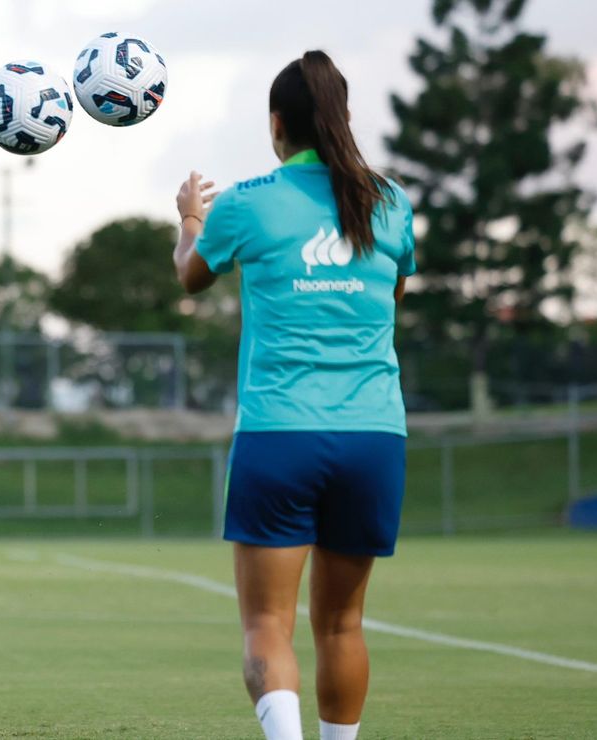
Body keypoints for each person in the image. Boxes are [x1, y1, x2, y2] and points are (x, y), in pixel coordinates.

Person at [172, 50, 415, 740]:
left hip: (281, 435)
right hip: (374, 438)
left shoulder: (248, 203)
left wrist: (190, 218)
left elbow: (191, 277)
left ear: (277, 124)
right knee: (342, 623)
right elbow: (395, 293)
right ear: (342, 118)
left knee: (266, 627)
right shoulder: (391, 203)